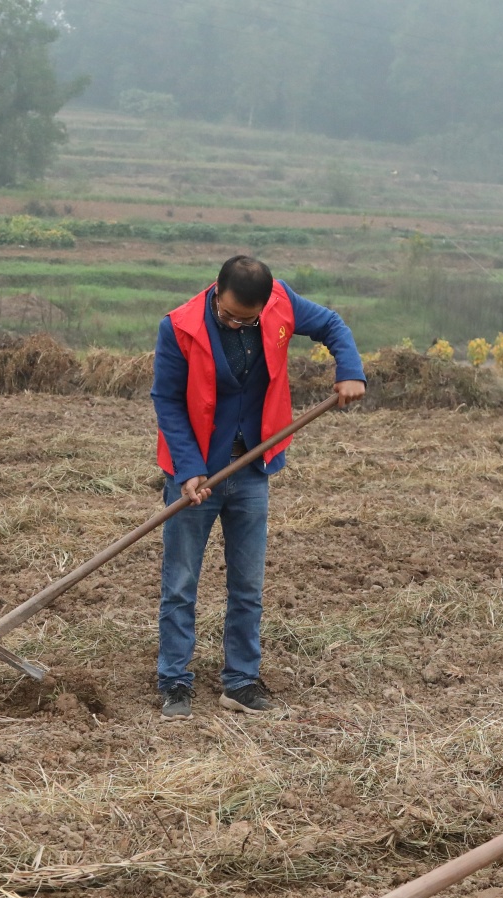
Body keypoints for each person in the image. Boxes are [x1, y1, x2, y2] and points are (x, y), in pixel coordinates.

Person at [151, 254, 366, 718]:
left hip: (252, 468)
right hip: (196, 473)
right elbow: (167, 401)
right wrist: (189, 470)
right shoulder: (180, 326)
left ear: (265, 305)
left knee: (247, 584)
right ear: (216, 290)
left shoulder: (281, 303)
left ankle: (240, 682)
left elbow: (332, 324)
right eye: (228, 315)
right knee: (181, 582)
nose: (235, 324)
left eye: (246, 320)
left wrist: (350, 370)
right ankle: (174, 681)